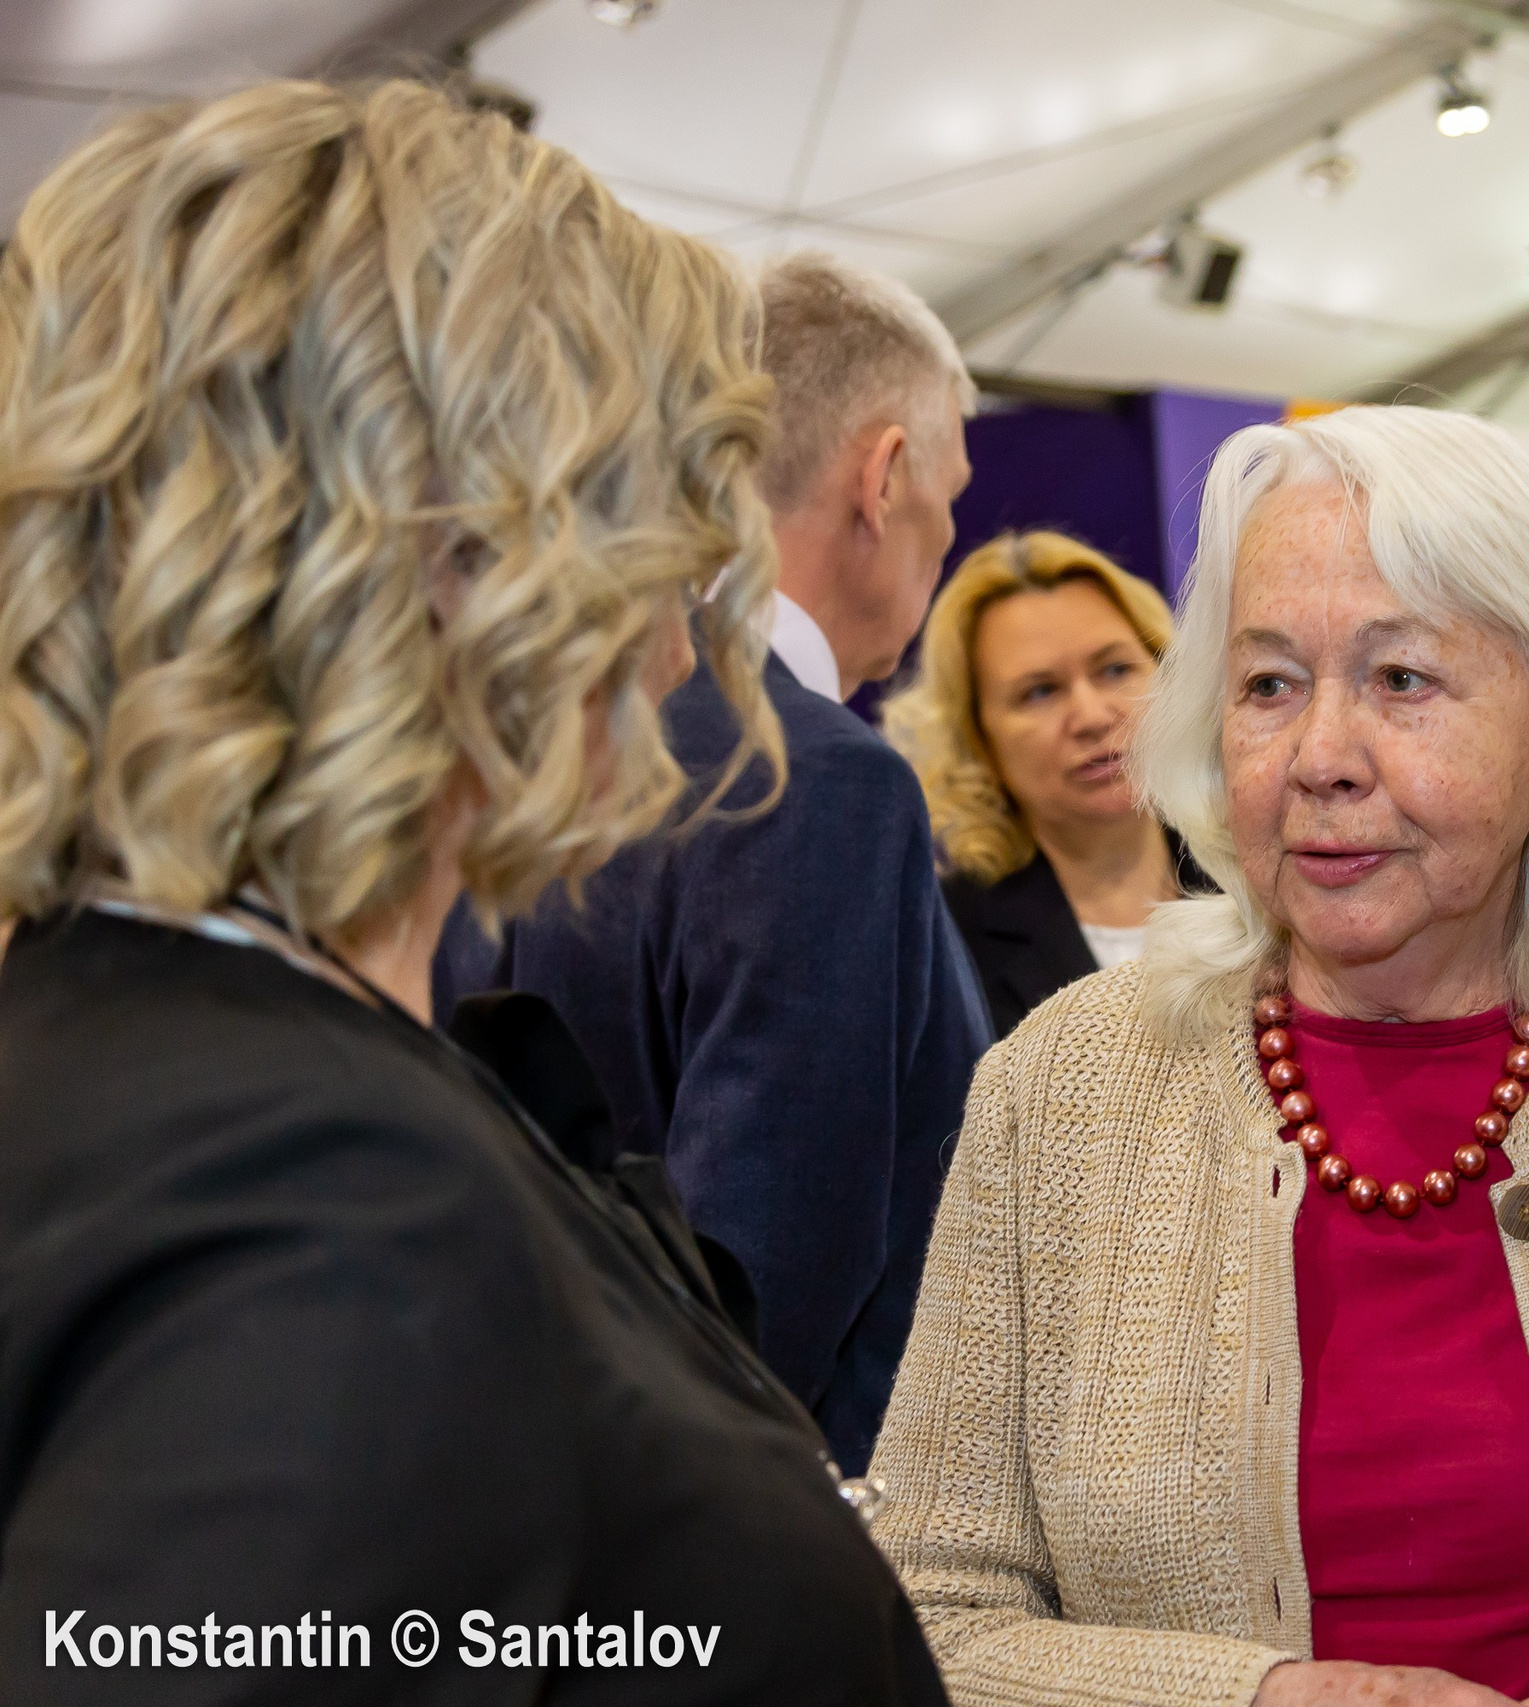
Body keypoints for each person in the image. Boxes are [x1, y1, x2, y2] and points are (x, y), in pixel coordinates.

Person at [0, 80, 944, 1701]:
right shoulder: (320, 1192)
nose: (679, 628)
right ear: (459, 549)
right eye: (644, 509)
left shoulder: (145, 1059)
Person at [868, 405, 1529, 1707]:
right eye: (1270, 683)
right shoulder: (1058, 1091)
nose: (1321, 757)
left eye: (1401, 678)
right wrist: (1273, 1698)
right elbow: (920, 1614)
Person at [435, 253, 991, 1474]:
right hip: (786, 1529)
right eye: (949, 497)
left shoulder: (523, 754)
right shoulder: (819, 782)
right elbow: (764, 1285)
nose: (947, 539)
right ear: (884, 476)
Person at [884, 530, 1195, 1037]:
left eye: (1116, 669)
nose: (1092, 716)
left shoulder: (1255, 882)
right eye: (1040, 692)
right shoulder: (938, 940)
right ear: (976, 737)